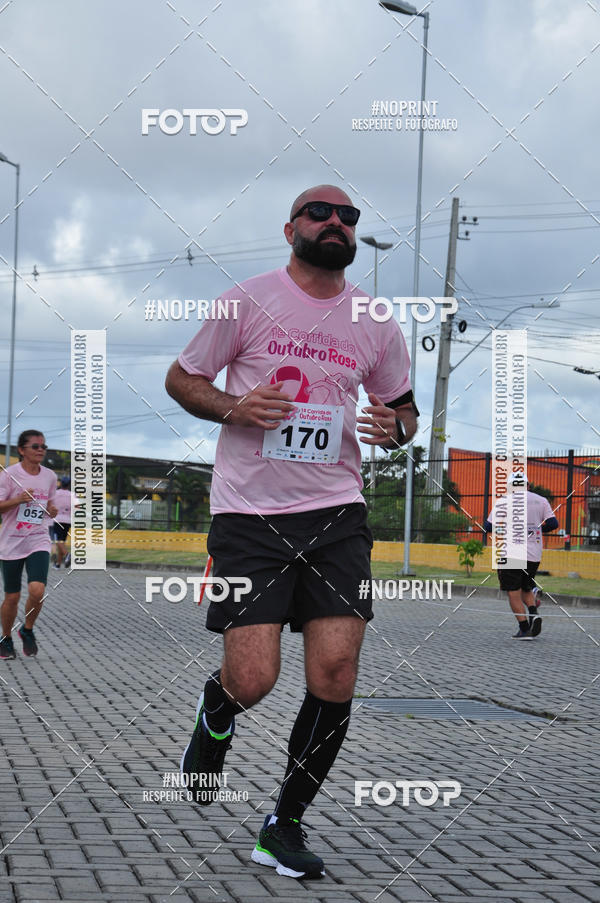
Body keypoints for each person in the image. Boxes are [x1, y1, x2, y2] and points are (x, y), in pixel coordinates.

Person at [165, 184, 418, 879]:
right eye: (321, 212)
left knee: (335, 671)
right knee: (254, 677)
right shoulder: (245, 300)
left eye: (349, 216)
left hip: (338, 513)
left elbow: (402, 410)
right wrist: (234, 406)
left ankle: (285, 821)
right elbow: (183, 377)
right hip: (250, 513)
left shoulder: (374, 318)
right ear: (291, 229)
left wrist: (394, 427)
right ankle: (217, 708)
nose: (336, 222)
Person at [0, 430, 58, 659]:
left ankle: (27, 629)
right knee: (12, 597)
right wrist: (18, 500)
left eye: (44, 446)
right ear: (22, 450)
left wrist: (52, 510)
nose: (41, 450)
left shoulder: (50, 476)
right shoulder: (9, 475)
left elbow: (49, 505)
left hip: (38, 538)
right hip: (11, 541)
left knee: (37, 589)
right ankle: (6, 638)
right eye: (35, 446)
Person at [485, 476, 558, 639]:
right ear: (528, 485)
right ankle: (534, 613)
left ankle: (524, 629)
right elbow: (553, 523)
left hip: (511, 553)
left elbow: (489, 526)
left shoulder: (505, 501)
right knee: (526, 588)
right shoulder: (541, 500)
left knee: (513, 592)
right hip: (533, 555)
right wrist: (536, 530)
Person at [52, 476, 76, 568]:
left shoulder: (55, 493)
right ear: (69, 485)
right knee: (62, 541)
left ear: (60, 483)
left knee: (57, 540)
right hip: (68, 520)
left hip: (57, 519)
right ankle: (58, 564)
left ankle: (67, 555)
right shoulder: (73, 495)